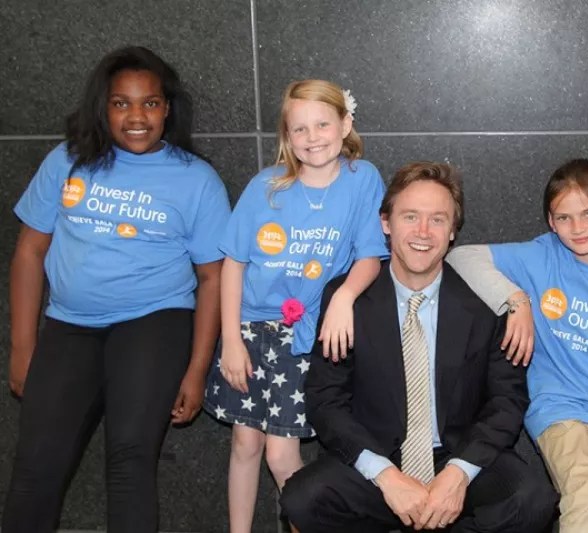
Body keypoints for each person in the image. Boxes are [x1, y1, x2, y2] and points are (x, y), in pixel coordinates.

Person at [4, 46, 231, 533]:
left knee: (130, 461)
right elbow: (29, 253)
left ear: (167, 109)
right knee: (35, 466)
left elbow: (213, 277)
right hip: (69, 326)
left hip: (154, 322)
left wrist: (197, 370)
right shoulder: (66, 161)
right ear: (102, 107)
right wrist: (22, 348)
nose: (136, 117)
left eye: (150, 103)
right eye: (121, 103)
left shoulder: (196, 179)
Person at [281, 161, 558, 533]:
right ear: (386, 223)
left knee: (532, 499)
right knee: (303, 499)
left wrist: (459, 473)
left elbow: (507, 400)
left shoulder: (485, 301)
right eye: (410, 216)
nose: (423, 232)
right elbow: (325, 399)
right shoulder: (347, 299)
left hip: (457, 457)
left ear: (453, 231)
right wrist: (385, 475)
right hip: (380, 461)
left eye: (437, 219)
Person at [447, 159, 588, 532]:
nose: (577, 228)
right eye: (564, 218)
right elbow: (459, 256)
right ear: (551, 222)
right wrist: (516, 299)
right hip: (559, 410)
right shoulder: (543, 254)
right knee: (587, 509)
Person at [202, 79, 388, 533]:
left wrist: (343, 297)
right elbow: (234, 263)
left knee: (281, 454)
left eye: (323, 124)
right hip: (250, 329)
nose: (312, 137)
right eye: (299, 128)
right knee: (245, 443)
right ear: (287, 134)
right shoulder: (266, 186)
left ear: (345, 124)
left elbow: (370, 257)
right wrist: (230, 340)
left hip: (307, 336)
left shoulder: (362, 178)